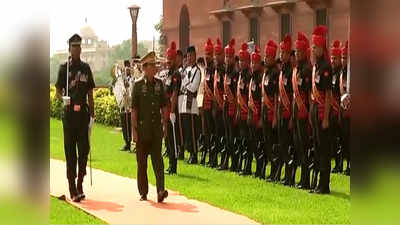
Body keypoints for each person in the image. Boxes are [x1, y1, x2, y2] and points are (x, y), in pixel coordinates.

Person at [55, 34, 95, 202]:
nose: (77, 49)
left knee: (84, 150)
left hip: (82, 115)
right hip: (69, 116)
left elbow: (90, 92)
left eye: (79, 46)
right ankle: (72, 187)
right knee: (70, 152)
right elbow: (57, 91)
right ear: (69, 49)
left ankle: (80, 183)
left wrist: (92, 113)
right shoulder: (64, 69)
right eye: (74, 47)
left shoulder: (86, 68)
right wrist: (62, 98)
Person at [131, 51, 169, 202]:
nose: (155, 68)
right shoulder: (138, 85)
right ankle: (143, 192)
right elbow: (134, 109)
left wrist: (165, 124)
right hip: (142, 129)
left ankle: (160, 190)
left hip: (156, 129)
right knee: (142, 163)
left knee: (158, 160)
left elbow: (164, 105)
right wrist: (134, 130)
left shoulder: (160, 84)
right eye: (152, 65)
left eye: (155, 65)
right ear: (145, 68)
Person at [309, 25, 333, 194]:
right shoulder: (316, 66)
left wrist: (325, 118)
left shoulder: (326, 67)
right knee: (317, 149)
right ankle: (318, 183)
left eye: (315, 47)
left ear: (321, 47)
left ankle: (325, 185)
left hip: (323, 115)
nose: (313, 49)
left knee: (324, 150)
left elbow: (328, 95)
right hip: (314, 114)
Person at [292, 32, 312, 189]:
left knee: (305, 146)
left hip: (305, 113)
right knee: (299, 146)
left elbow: (309, 93)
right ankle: (302, 178)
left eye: (299, 51)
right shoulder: (297, 69)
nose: (297, 54)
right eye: (296, 51)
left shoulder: (307, 69)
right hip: (296, 113)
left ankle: (306, 179)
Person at [178, 46, 201, 164]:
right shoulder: (186, 70)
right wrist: (185, 80)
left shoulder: (197, 71)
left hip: (192, 104)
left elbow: (193, 87)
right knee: (186, 130)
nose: (189, 58)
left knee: (192, 131)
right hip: (184, 103)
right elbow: (182, 87)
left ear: (195, 55)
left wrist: (185, 81)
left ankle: (194, 154)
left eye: (191, 55)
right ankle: (189, 152)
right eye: (187, 56)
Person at [276, 34, 294, 185]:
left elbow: (294, 96)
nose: (281, 55)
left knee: (288, 145)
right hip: (281, 113)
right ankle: (285, 175)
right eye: (280, 53)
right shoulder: (282, 71)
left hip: (290, 114)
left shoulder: (291, 72)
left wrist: (292, 117)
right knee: (281, 144)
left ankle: (290, 175)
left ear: (289, 54)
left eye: (284, 53)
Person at [220, 38, 238, 171]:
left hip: (233, 108)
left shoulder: (235, 73)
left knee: (232, 136)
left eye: (229, 57)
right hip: (226, 106)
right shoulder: (226, 73)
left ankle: (234, 162)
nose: (227, 59)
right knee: (226, 135)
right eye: (226, 56)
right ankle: (226, 160)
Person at [262, 40, 279, 181]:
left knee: (273, 144)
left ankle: (276, 171)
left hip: (273, 112)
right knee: (267, 142)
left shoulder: (275, 73)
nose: (265, 58)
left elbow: (277, 96)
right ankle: (272, 171)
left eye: (268, 56)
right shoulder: (266, 73)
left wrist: (275, 116)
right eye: (265, 56)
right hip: (265, 112)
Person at [164, 41, 182, 175]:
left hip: (172, 110)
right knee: (167, 138)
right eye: (167, 59)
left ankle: (173, 166)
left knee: (172, 138)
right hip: (166, 109)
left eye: (170, 59)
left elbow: (175, 94)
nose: (168, 61)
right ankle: (170, 164)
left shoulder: (176, 74)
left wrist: (171, 111)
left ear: (175, 59)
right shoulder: (169, 74)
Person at [246, 46, 263, 177]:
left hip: (259, 113)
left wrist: (261, 117)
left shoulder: (261, 78)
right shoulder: (252, 78)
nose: (253, 65)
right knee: (251, 142)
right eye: (252, 62)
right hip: (252, 112)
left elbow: (263, 99)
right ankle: (255, 168)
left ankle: (260, 168)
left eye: (255, 63)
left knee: (259, 143)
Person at [209, 38, 225, 168]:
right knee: (214, 134)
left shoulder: (225, 70)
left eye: (218, 54)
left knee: (223, 135)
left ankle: (224, 160)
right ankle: (214, 159)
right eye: (215, 54)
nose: (216, 57)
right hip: (215, 106)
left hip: (223, 107)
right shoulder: (215, 69)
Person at [235, 42, 251, 173]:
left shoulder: (249, 76)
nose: (240, 63)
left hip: (249, 112)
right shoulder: (240, 75)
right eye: (239, 60)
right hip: (241, 111)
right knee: (241, 140)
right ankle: (242, 164)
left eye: (243, 61)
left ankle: (248, 165)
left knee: (248, 141)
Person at [199, 38, 215, 165]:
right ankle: (208, 153)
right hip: (205, 105)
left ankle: (213, 157)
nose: (207, 57)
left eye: (209, 54)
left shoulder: (214, 69)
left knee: (213, 132)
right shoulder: (205, 70)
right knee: (206, 132)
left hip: (214, 106)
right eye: (206, 54)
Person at [330, 40, 343, 174]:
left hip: (340, 110)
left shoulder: (341, 74)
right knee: (334, 139)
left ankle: (341, 163)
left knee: (341, 139)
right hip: (332, 111)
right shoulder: (332, 73)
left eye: (336, 58)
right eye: (332, 58)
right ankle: (337, 164)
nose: (333, 61)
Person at [340, 41, 350, 176]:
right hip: (342, 111)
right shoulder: (342, 73)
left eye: (345, 58)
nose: (343, 60)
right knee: (344, 139)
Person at [120, 60, 134, 152]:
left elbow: (131, 89)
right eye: (125, 68)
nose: (126, 69)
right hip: (123, 103)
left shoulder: (132, 78)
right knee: (124, 124)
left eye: (127, 67)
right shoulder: (122, 79)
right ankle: (126, 142)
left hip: (129, 103)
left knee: (129, 124)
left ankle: (129, 143)